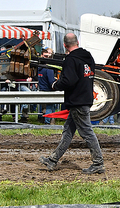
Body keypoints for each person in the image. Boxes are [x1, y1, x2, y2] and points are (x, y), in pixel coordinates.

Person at [39, 33, 104, 174]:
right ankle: (52, 160)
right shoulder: (88, 57)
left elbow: (69, 80)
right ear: (77, 42)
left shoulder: (70, 60)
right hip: (85, 98)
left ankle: (98, 163)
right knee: (68, 131)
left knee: (86, 132)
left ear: (64, 45)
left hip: (77, 101)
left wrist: (56, 85)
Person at [38, 47, 57, 125]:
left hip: (41, 89)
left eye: (49, 56)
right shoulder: (49, 69)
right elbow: (51, 82)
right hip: (48, 90)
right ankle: (48, 122)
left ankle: (46, 120)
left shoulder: (39, 68)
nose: (48, 57)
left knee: (45, 107)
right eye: (46, 56)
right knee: (50, 106)